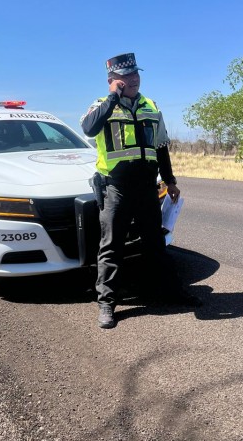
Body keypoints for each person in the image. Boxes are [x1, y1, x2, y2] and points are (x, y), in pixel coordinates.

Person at [80, 52, 202, 329]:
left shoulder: (151, 106)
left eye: (135, 74)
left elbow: (161, 147)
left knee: (156, 244)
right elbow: (89, 128)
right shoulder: (101, 106)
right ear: (112, 80)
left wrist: (170, 180)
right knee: (111, 247)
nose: (133, 79)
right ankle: (107, 303)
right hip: (116, 189)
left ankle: (171, 292)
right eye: (125, 76)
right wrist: (113, 98)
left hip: (147, 188)